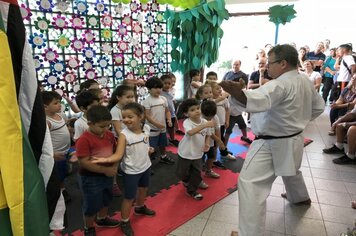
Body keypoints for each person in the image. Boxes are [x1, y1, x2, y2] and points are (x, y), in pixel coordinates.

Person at [220, 44, 325, 236]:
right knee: (291, 170)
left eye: (271, 63)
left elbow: (258, 99)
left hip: (270, 142)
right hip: (294, 139)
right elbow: (318, 107)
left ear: (283, 63)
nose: (267, 66)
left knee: (250, 184)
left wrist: (238, 93)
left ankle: (249, 234)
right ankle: (300, 198)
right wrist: (298, 121)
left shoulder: (280, 83)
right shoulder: (304, 80)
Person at [91, 103, 156, 236]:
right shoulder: (124, 135)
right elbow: (118, 155)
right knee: (129, 197)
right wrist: (105, 160)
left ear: (141, 116)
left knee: (143, 189)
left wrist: (148, 149)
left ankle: (140, 207)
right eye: (124, 117)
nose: (126, 120)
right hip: (131, 171)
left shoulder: (146, 128)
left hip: (145, 166)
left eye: (130, 116)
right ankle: (125, 221)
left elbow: (145, 143)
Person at [75, 105, 120, 236]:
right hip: (90, 177)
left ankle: (102, 218)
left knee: (107, 198)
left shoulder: (109, 135)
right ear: (90, 123)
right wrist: (104, 171)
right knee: (91, 204)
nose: (105, 129)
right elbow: (84, 162)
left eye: (108, 126)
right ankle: (89, 227)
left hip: (107, 175)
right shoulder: (83, 140)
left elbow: (115, 152)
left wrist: (114, 167)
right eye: (101, 126)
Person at [42, 91, 70, 232]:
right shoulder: (47, 122)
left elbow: (64, 129)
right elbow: (44, 142)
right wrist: (52, 154)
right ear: (45, 107)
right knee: (57, 175)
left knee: (64, 174)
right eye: (56, 103)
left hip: (66, 151)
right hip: (56, 155)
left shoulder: (60, 115)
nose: (59, 105)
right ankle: (60, 192)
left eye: (59, 102)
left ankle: (63, 188)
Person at [176, 98, 214, 200]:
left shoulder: (205, 121)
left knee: (197, 172)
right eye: (192, 110)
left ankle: (192, 190)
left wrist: (206, 144)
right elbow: (190, 132)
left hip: (198, 153)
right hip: (185, 152)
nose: (197, 111)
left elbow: (208, 135)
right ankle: (187, 180)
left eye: (198, 108)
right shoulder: (187, 122)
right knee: (182, 173)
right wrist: (205, 125)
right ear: (186, 114)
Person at [141, 77, 175, 164]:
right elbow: (147, 116)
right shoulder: (147, 101)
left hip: (162, 128)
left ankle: (163, 156)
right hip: (151, 129)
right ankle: (147, 163)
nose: (158, 90)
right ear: (149, 89)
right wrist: (157, 124)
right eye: (155, 88)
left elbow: (167, 111)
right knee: (150, 147)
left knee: (163, 144)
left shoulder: (163, 99)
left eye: (160, 88)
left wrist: (169, 120)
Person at [160, 74, 179, 146]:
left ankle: (172, 139)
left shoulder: (170, 91)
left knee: (171, 127)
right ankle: (164, 140)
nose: (167, 85)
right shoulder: (160, 92)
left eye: (169, 83)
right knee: (164, 128)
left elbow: (170, 100)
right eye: (165, 83)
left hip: (172, 113)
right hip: (164, 114)